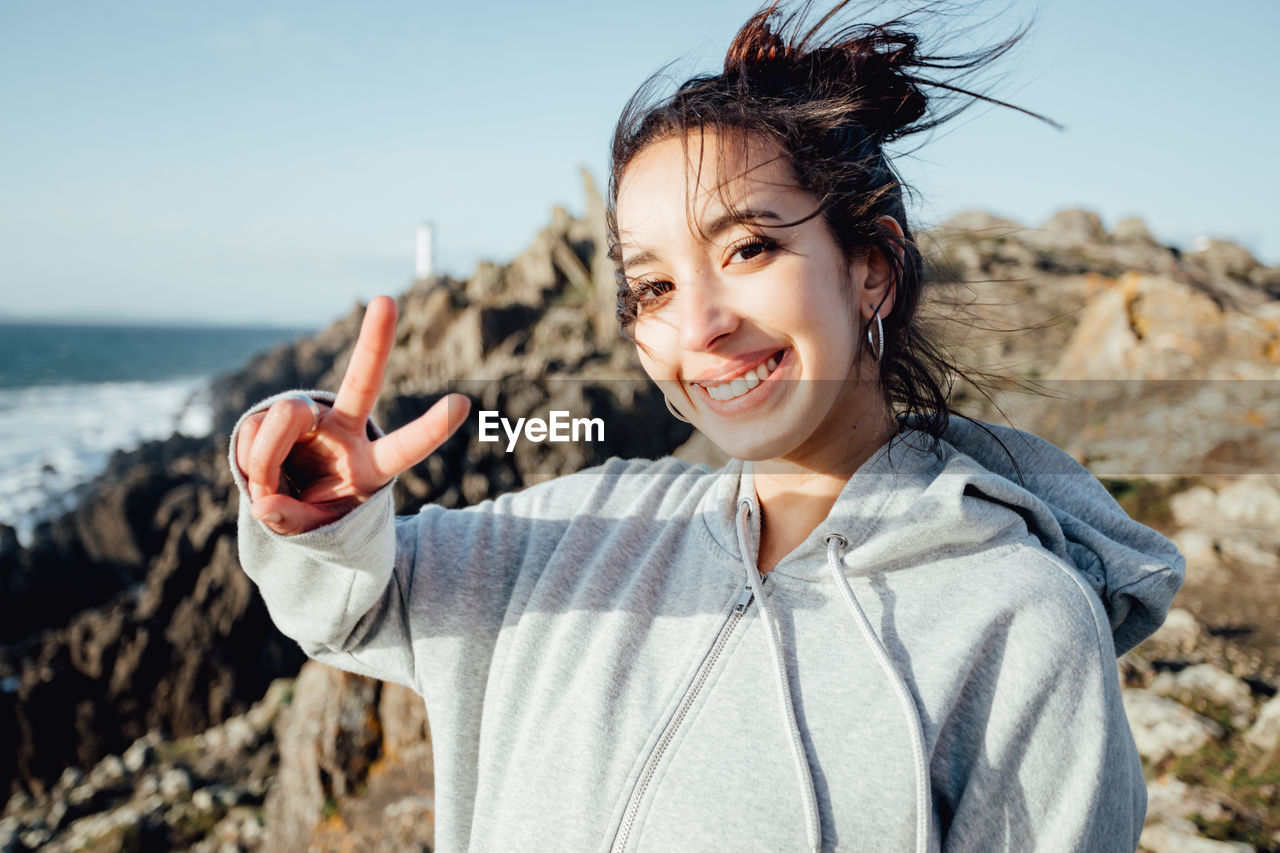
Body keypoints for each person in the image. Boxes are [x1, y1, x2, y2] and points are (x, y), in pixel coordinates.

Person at [230, 3, 1184, 850]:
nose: (699, 325)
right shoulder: (580, 531)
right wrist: (319, 510)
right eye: (653, 285)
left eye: (749, 247)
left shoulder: (1016, 623)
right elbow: (356, 601)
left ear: (872, 268)